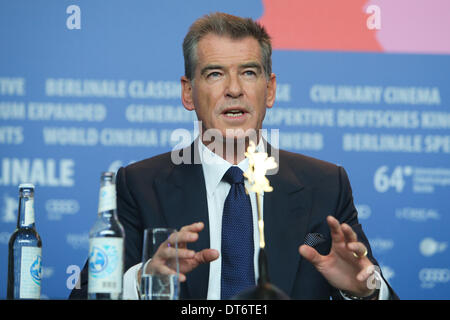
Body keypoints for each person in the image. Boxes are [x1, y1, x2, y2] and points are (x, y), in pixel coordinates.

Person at [70, 12, 398, 300]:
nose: (234, 89)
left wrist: (365, 289)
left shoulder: (326, 186)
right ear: (188, 92)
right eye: (215, 73)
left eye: (249, 73)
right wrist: (143, 283)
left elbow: (369, 284)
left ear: (270, 90)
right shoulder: (139, 186)